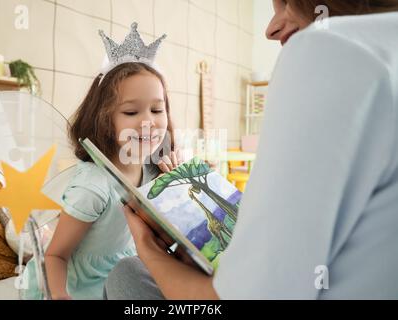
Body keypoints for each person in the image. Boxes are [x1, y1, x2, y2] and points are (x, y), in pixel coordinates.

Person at [104, 0, 398, 299]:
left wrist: (149, 249)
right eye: (130, 112)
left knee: (127, 272)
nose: (271, 29)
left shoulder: (331, 47)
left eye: (285, 3)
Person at [21, 22, 180, 300]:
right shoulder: (94, 187)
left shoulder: (154, 172)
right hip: (76, 286)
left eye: (157, 109)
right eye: (131, 112)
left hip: (125, 273)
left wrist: (177, 189)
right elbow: (56, 255)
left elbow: (166, 242)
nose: (148, 122)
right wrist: (59, 296)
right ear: (105, 121)